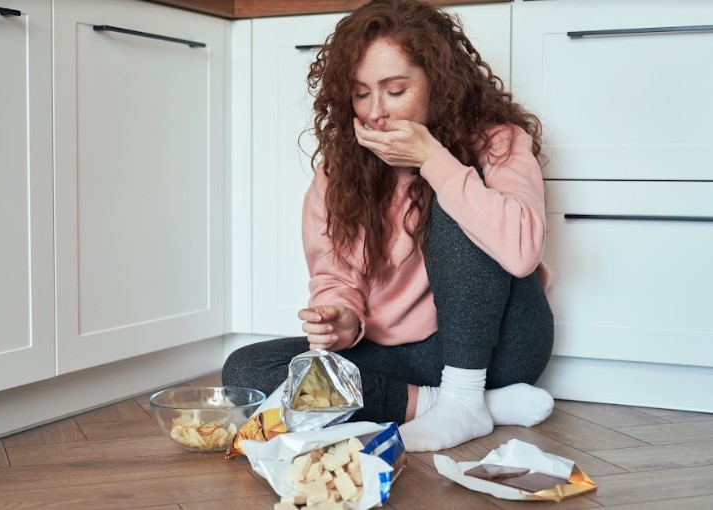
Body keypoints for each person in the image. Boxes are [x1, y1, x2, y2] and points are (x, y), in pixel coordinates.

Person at [223, 0, 555, 452]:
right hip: (402, 359)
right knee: (246, 369)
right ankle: (461, 406)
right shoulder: (338, 171)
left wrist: (434, 161)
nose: (375, 112)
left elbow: (520, 251)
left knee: (460, 200)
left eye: (395, 90)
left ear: (441, 85)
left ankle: (465, 393)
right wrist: (342, 317)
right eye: (361, 93)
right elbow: (334, 276)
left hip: (498, 345)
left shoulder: (498, 141)